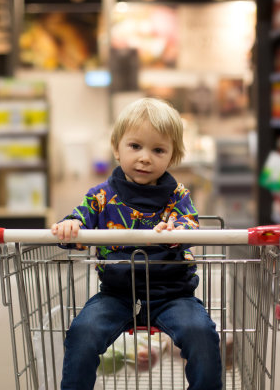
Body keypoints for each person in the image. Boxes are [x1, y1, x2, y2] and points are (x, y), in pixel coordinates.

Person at [51, 97, 222, 390]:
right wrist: (71, 226)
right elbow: (79, 220)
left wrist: (175, 230)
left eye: (158, 150)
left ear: (173, 156)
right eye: (135, 146)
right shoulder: (101, 196)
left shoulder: (176, 195)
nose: (145, 157)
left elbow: (189, 223)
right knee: (83, 332)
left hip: (173, 293)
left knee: (201, 333)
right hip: (117, 293)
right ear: (116, 148)